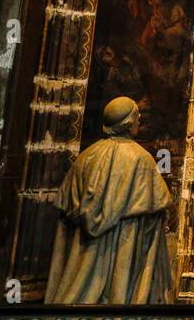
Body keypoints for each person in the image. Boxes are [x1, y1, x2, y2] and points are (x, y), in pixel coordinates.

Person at [45, 97, 172, 305]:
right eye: (138, 119)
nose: (139, 122)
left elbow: (65, 212)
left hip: (85, 253)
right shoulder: (141, 159)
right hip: (125, 247)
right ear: (129, 123)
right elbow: (155, 214)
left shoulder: (86, 156)